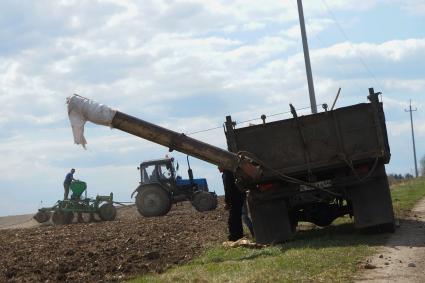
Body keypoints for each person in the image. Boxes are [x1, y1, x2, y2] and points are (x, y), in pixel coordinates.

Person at [220, 167, 254, 241]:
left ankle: (235, 237)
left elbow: (227, 189)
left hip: (236, 198)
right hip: (240, 197)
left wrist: (227, 202)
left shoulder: (227, 173)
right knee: (239, 217)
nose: (218, 168)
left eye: (218, 166)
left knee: (235, 219)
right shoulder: (230, 172)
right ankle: (239, 236)